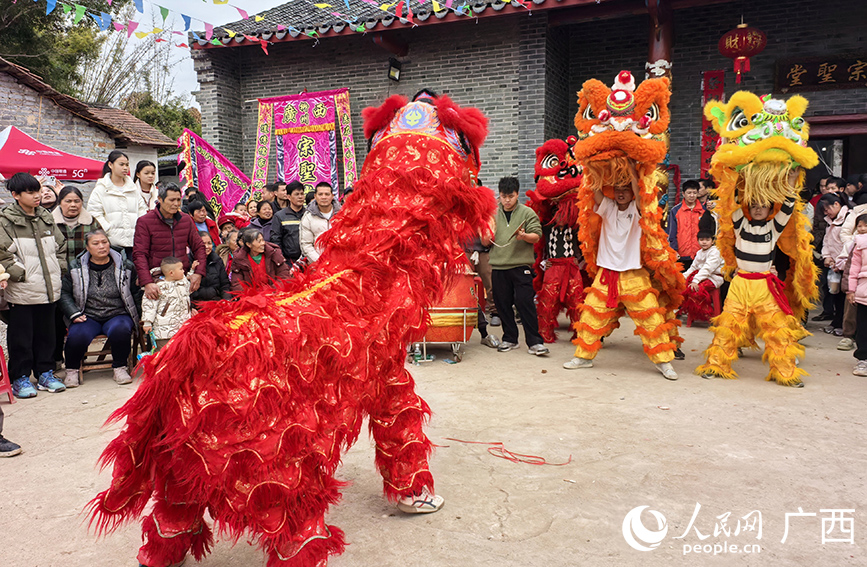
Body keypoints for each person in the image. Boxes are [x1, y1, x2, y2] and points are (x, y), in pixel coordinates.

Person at [563, 162, 678, 379]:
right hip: (606, 275)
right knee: (590, 316)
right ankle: (583, 357)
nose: (622, 193)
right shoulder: (607, 207)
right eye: (618, 189)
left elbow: (638, 192)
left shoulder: (637, 209)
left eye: (625, 190)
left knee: (651, 319)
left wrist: (633, 172)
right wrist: (591, 167)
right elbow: (595, 190)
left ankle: (665, 363)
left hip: (634, 275)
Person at [697, 187, 805, 386]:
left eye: (763, 206)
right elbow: (732, 202)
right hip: (740, 284)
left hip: (765, 286)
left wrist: (789, 183)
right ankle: (717, 365)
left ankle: (785, 372)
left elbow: (788, 206)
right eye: (754, 206)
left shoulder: (774, 227)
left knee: (777, 329)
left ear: (769, 210)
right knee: (727, 327)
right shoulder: (740, 224)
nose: (757, 210)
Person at [0, 173, 68, 398]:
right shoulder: (6, 221)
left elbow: (60, 246)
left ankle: (45, 373)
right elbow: (3, 254)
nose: (37, 196)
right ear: (15, 195)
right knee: (21, 337)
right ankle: (20, 377)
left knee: (47, 334)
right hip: (22, 290)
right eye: (30, 192)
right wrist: (20, 274)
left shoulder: (45, 217)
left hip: (48, 289)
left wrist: (58, 269)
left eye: (37, 190)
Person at [59, 230, 139, 387]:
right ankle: (72, 370)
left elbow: (135, 293)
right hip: (88, 315)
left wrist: (140, 316)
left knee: (121, 329)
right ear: (87, 248)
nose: (101, 246)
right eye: (96, 243)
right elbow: (64, 293)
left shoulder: (126, 266)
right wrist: (73, 313)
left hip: (117, 313)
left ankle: (120, 367)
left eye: (104, 242)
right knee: (77, 335)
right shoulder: (76, 267)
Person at [487, 177, 548, 356]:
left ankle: (535, 342)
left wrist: (524, 236)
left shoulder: (527, 213)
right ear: (499, 195)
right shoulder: (492, 214)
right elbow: (485, 239)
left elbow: (537, 235)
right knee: (502, 304)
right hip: (498, 266)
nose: (507, 200)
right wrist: (484, 233)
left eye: (511, 196)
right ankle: (510, 339)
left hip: (521, 265)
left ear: (517, 194)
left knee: (525, 303)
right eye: (503, 196)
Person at [133, 183, 206, 303]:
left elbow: (199, 247)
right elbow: (139, 254)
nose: (176, 204)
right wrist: (147, 282)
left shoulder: (186, 219)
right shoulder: (145, 221)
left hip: (182, 279)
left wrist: (199, 273)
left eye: (178, 200)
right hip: (157, 281)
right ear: (160, 199)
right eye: (171, 200)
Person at [52, 185, 98, 377]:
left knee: (82, 317)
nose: (73, 205)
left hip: (85, 279)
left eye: (77, 201)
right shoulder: (49, 222)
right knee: (55, 320)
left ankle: (79, 357)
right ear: (59, 203)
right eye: (68, 201)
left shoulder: (91, 223)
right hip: (57, 277)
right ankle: (55, 360)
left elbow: (100, 245)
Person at [87, 151, 147, 255]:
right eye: (121, 164)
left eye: (127, 165)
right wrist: (108, 229)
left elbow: (142, 209)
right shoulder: (101, 189)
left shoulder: (133, 188)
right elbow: (94, 213)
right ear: (110, 165)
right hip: (111, 243)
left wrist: (139, 228)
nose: (125, 168)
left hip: (135, 241)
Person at [141, 257, 193, 350]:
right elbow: (149, 305)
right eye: (181, 269)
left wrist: (192, 270)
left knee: (180, 352)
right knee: (164, 353)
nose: (183, 271)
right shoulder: (159, 287)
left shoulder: (183, 283)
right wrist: (147, 322)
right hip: (164, 330)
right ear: (171, 273)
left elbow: (190, 287)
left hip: (183, 327)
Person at [819, 193, 849, 335]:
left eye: (827, 209)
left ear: (836, 204)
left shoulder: (849, 218)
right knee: (835, 295)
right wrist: (827, 257)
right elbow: (827, 241)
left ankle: (844, 326)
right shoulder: (830, 221)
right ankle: (837, 322)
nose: (826, 213)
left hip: (845, 265)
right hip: (834, 266)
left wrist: (840, 262)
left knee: (845, 298)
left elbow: (848, 244)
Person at [678, 231, 724, 322]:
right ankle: (690, 312)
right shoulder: (699, 252)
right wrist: (683, 277)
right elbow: (693, 267)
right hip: (700, 277)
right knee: (682, 286)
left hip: (714, 277)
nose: (704, 242)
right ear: (698, 241)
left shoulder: (715, 251)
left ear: (712, 241)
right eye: (701, 240)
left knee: (695, 289)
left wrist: (695, 280)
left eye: (707, 240)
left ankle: (706, 314)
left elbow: (708, 268)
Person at [299, 182, 341, 263]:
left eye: (327, 194)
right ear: (315, 196)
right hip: (317, 265)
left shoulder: (343, 214)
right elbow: (306, 245)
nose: (324, 197)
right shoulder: (308, 217)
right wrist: (321, 262)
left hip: (341, 263)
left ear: (332, 196)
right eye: (320, 194)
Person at [668, 180, 705, 270]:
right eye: (689, 193)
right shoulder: (676, 211)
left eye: (694, 193)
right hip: (681, 254)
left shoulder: (704, 211)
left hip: (700, 254)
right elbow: (671, 233)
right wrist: (674, 251)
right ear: (683, 194)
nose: (692, 195)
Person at [846, 214, 867, 376]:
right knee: (863, 326)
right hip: (864, 290)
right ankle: (863, 359)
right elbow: (854, 269)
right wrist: (851, 290)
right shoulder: (860, 243)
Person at [270, 180, 307, 264]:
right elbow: (275, 240)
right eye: (297, 194)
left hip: (308, 260)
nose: (300, 197)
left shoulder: (309, 214)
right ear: (289, 197)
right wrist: (281, 260)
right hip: (289, 261)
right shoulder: (280, 216)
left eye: (302, 194)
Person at [190, 231, 231, 304]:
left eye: (209, 243)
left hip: (216, 302)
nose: (207, 247)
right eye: (203, 243)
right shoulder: (188, 261)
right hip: (196, 305)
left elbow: (224, 284)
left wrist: (226, 300)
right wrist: (190, 307)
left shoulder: (217, 260)